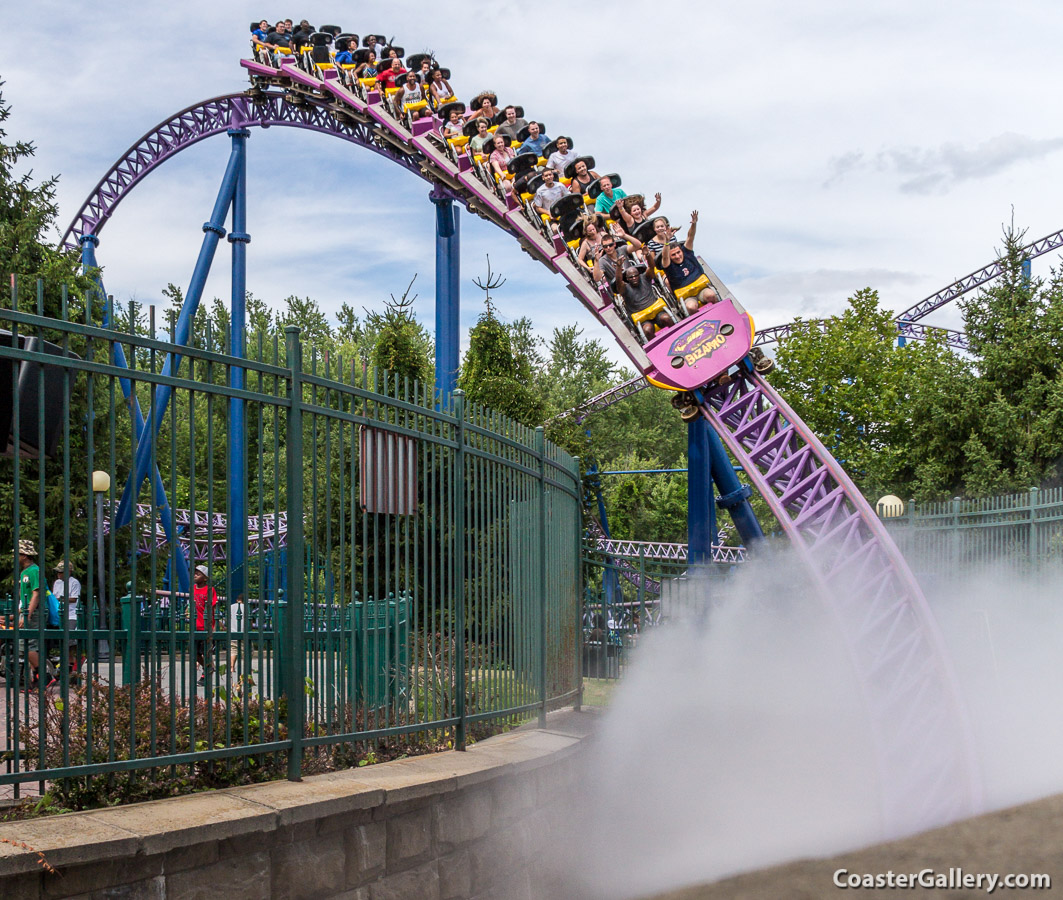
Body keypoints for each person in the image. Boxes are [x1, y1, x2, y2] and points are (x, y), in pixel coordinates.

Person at [659, 210, 721, 313]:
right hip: (687, 296)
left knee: (710, 295)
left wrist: (694, 224)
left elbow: (690, 237)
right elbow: (665, 257)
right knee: (691, 307)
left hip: (701, 289)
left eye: (678, 253)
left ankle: (720, 313)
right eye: (673, 255)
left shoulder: (687, 253)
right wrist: (666, 242)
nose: (677, 256)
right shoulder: (669, 265)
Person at [616, 262, 673, 340]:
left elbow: (651, 267)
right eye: (631, 277)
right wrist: (619, 267)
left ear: (639, 275)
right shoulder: (625, 288)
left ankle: (677, 336)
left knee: (666, 318)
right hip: (643, 319)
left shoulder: (645, 278)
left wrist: (648, 254)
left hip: (657, 312)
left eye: (636, 276)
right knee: (647, 329)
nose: (634, 278)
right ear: (627, 279)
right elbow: (618, 282)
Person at [52, 559, 82, 677]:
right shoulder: (57, 583)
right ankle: (66, 664)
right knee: (62, 641)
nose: (59, 574)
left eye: (61, 572)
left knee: (70, 642)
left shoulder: (74, 583)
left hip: (71, 614)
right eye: (58, 572)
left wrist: (60, 599)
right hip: (60, 614)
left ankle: (72, 664)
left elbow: (74, 598)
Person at [190, 564, 218, 687]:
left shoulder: (210, 589)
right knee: (194, 652)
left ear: (205, 578)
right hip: (195, 626)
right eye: (195, 573)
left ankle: (205, 673)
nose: (195, 575)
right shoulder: (192, 589)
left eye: (198, 573)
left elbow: (213, 607)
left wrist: (214, 626)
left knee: (205, 652)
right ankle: (208, 667)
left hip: (206, 626)